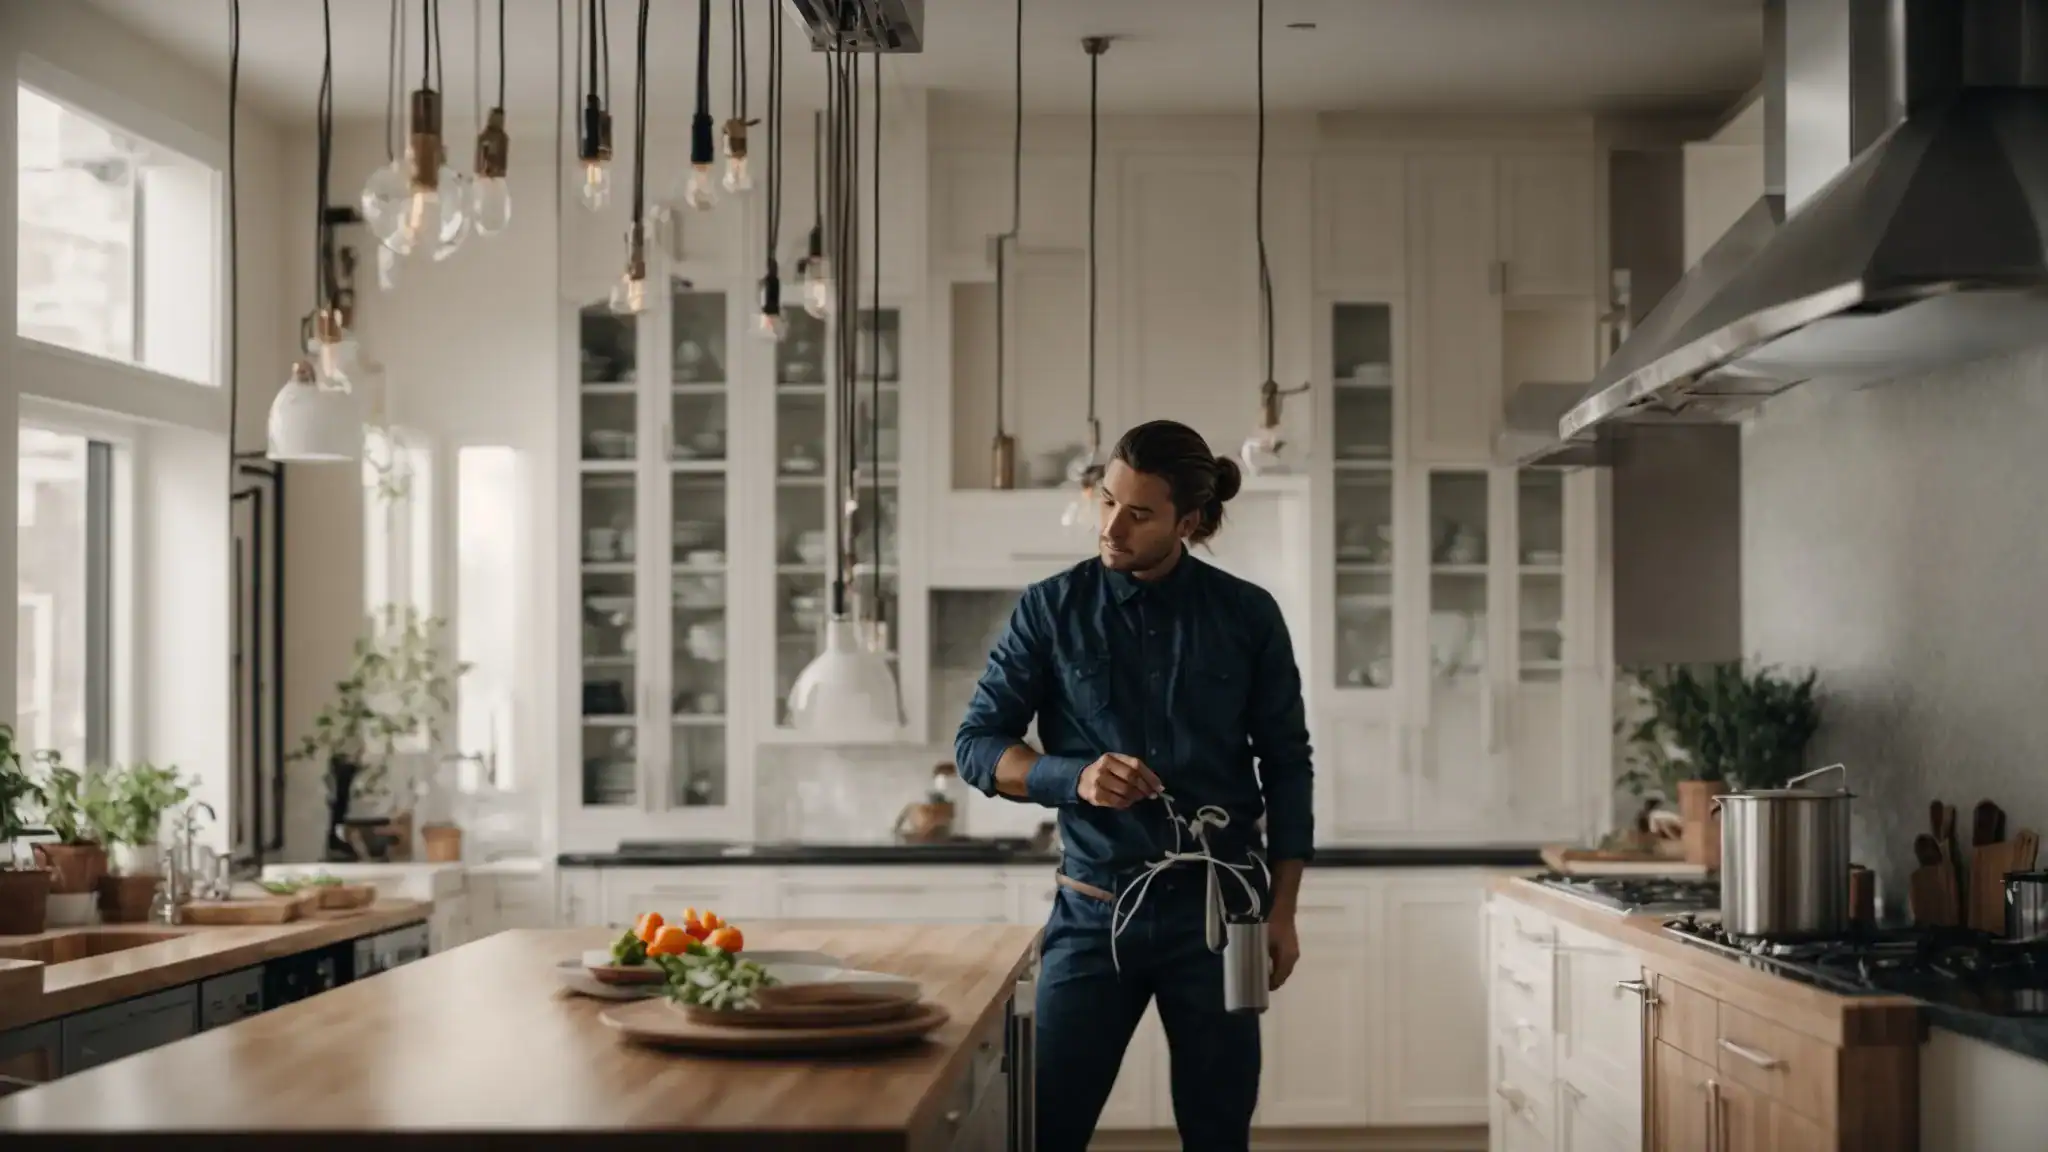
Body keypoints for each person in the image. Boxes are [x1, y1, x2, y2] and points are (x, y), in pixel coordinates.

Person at [954, 419, 1314, 1152]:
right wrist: (1073, 777)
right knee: (1042, 1128)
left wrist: (1284, 912)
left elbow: (1288, 765)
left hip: (1222, 920)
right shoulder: (1049, 610)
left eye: (1138, 512)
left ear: (1188, 521)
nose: (1112, 526)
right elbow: (978, 747)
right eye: (1107, 501)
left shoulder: (1248, 616)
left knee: (1219, 1134)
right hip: (1092, 916)